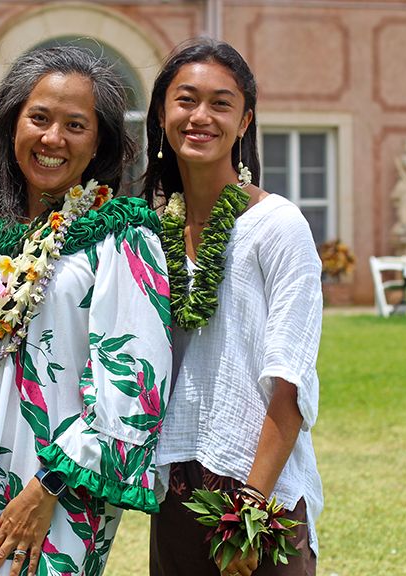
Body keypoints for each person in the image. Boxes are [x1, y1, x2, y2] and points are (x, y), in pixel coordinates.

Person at [0, 47, 172, 576]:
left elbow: (137, 380)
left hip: (57, 487)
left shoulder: (122, 236)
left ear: (98, 143)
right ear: (12, 124)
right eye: (39, 118)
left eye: (75, 125)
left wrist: (49, 487)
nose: (53, 139)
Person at [143, 38, 323, 576]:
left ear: (245, 122)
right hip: (175, 488)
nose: (202, 117)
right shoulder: (152, 233)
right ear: (161, 113)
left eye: (221, 103)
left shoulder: (278, 226)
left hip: (257, 494)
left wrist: (251, 511)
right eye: (186, 100)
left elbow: (289, 380)